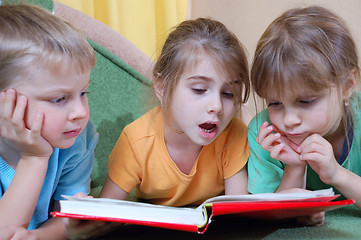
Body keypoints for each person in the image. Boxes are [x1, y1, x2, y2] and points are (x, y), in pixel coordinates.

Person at [65, 17, 250, 239]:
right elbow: (107, 212)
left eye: (228, 93)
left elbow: (238, 212)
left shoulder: (234, 132)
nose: (217, 106)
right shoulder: (136, 141)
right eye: (200, 89)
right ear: (162, 87)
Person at [247, 5, 361, 225]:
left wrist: (336, 174)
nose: (289, 121)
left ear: (348, 85)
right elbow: (267, 215)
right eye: (275, 103)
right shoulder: (264, 131)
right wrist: (295, 167)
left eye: (306, 101)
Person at [0, 3, 98, 239]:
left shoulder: (77, 138)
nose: (80, 112)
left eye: (83, 93)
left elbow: (68, 220)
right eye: (58, 99)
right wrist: (34, 158)